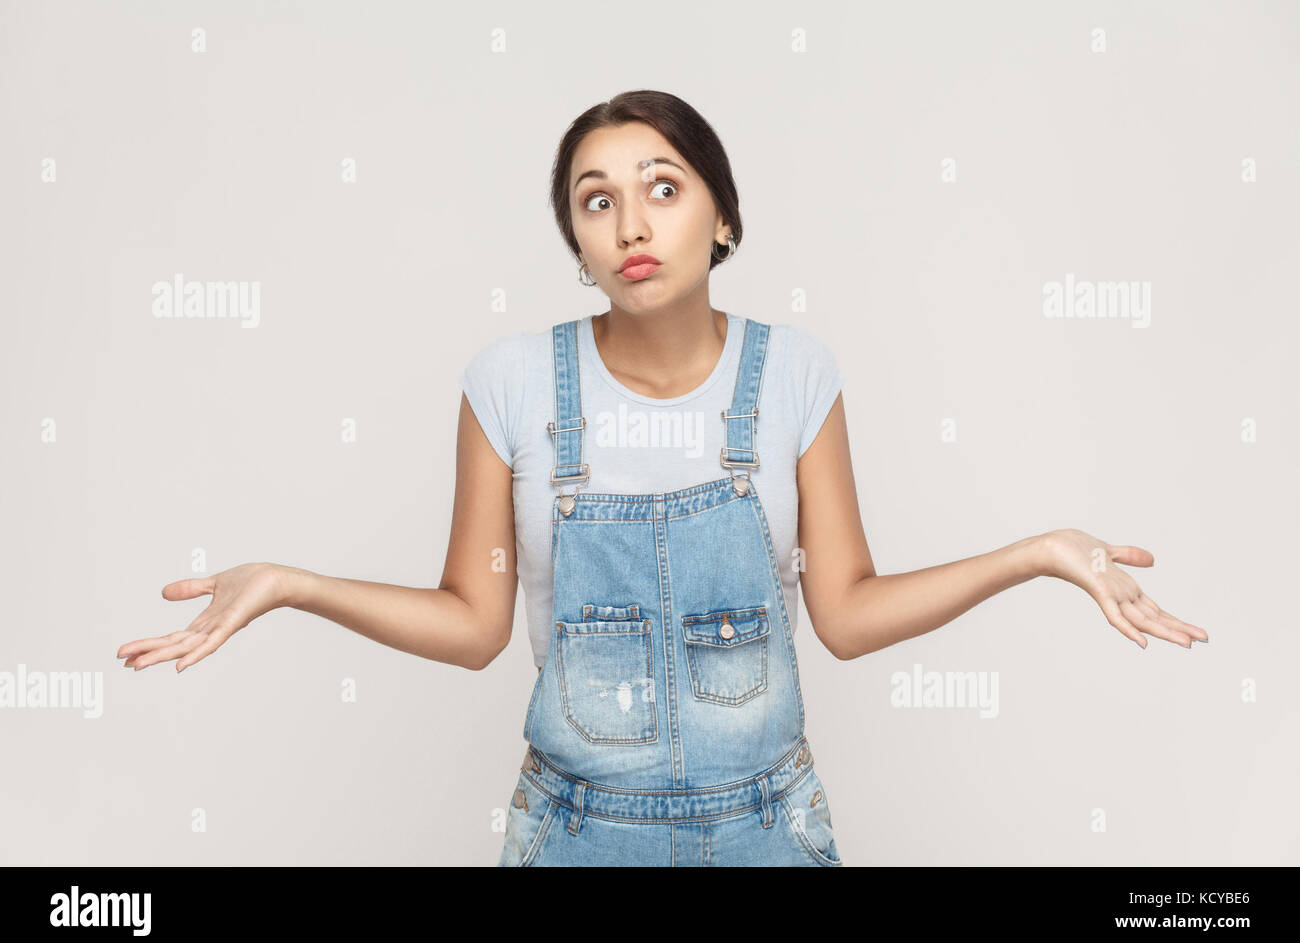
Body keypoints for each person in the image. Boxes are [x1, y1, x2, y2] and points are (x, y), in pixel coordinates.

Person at [117, 90, 1209, 867]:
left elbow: (847, 612)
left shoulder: (793, 374)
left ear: (720, 217)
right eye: (595, 201)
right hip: (575, 830)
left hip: (770, 827)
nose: (631, 221)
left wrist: (1038, 555)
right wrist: (294, 583)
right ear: (577, 246)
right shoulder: (508, 384)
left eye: (662, 186)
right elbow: (471, 622)